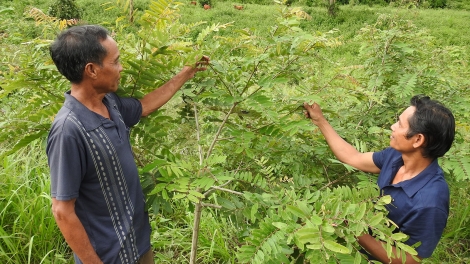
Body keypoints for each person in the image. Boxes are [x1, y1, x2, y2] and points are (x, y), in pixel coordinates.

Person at [46, 25, 209, 264]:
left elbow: (144, 106)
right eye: (116, 62)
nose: (121, 68)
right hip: (107, 257)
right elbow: (62, 211)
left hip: (138, 245)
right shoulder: (68, 131)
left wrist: (185, 73)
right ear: (91, 70)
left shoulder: (110, 103)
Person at [303, 95, 455, 264]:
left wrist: (356, 230)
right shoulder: (396, 156)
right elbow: (354, 157)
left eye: (400, 124)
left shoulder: (431, 201)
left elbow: (410, 260)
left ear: (418, 139)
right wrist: (320, 120)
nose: (393, 126)